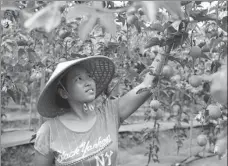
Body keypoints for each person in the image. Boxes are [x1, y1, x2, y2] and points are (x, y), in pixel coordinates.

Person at [34, 56, 155, 166]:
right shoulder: (49, 132)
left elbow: (147, 85)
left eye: (89, 76)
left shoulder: (109, 113)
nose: (88, 82)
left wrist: (165, 47)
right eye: (79, 79)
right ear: (64, 93)